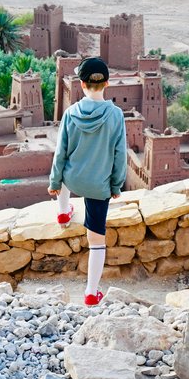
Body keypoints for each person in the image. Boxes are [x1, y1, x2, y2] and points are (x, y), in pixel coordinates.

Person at [48, 57, 127, 306]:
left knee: (67, 170)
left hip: (72, 180)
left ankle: (63, 212)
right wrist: (116, 186)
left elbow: (60, 152)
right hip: (98, 187)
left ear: (81, 84)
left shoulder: (71, 114)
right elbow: (119, 154)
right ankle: (91, 293)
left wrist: (54, 182)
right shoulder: (115, 115)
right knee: (96, 242)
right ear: (107, 83)